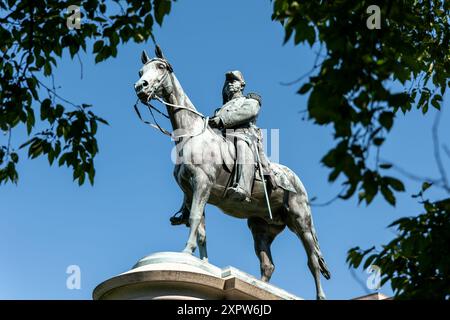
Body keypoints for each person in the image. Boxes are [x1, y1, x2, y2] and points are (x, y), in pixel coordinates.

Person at [170, 70, 274, 225]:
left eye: (234, 81)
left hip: (244, 134)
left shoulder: (250, 99)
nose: (230, 84)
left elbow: (249, 112)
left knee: (241, 144)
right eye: (228, 83)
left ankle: (243, 188)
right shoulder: (220, 109)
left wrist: (221, 120)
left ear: (242, 85)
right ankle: (187, 208)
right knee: (195, 163)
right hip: (223, 138)